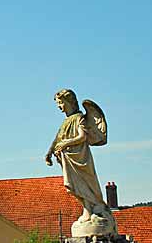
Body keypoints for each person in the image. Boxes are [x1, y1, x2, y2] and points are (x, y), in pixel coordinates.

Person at [45, 89, 107, 223]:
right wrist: (49, 152)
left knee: (86, 183)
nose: (59, 107)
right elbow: (57, 138)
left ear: (68, 102)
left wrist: (66, 142)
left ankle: (94, 207)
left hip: (80, 158)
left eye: (60, 103)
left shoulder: (79, 118)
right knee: (72, 185)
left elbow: (82, 137)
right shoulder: (66, 122)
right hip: (68, 159)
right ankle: (87, 208)